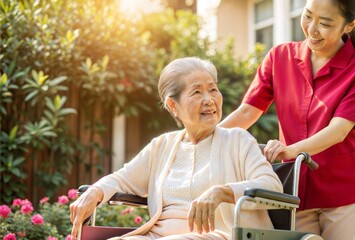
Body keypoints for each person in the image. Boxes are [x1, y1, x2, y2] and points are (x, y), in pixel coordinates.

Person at [219, 0, 355, 239]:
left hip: (346, 193)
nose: (312, 28)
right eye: (308, 15)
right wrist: (203, 138)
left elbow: (338, 130)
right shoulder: (280, 57)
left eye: (325, 23)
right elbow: (248, 112)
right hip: (295, 192)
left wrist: (289, 151)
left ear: (349, 25)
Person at [69, 57, 283, 240]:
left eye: (213, 89)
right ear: (173, 106)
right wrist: (94, 192)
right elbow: (122, 178)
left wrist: (222, 192)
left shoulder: (238, 140)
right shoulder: (162, 146)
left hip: (220, 235)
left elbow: (271, 185)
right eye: (197, 92)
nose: (209, 100)